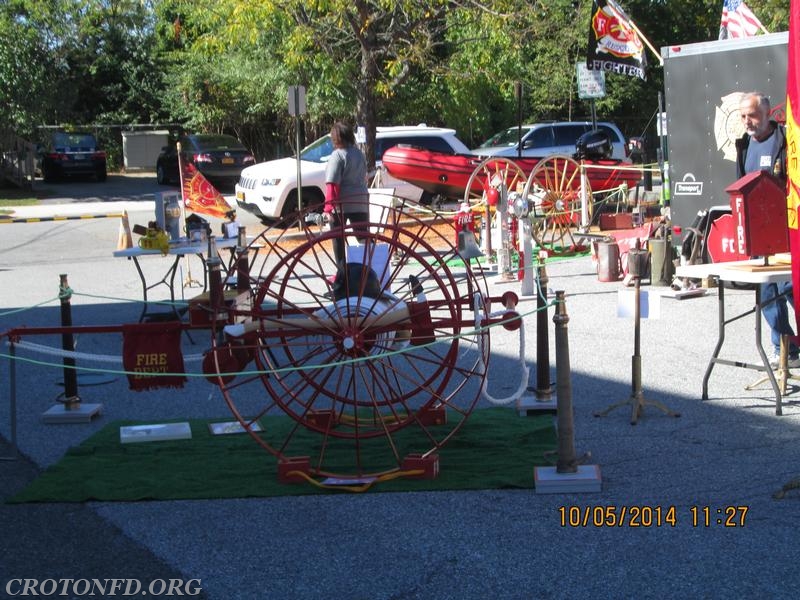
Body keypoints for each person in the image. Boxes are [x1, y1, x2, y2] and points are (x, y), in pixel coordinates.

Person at [735, 91, 797, 367]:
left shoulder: (786, 140)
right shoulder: (744, 145)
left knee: (792, 289)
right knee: (768, 294)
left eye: (752, 115)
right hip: (757, 234)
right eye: (743, 116)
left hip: (786, 231)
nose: (747, 121)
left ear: (768, 113)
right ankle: (785, 349)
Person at [324, 122, 370, 270]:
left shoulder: (337, 156)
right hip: (360, 201)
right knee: (363, 237)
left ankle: (341, 271)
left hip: (342, 204)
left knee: (338, 239)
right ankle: (371, 266)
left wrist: (328, 208)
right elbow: (364, 178)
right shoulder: (359, 154)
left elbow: (332, 184)